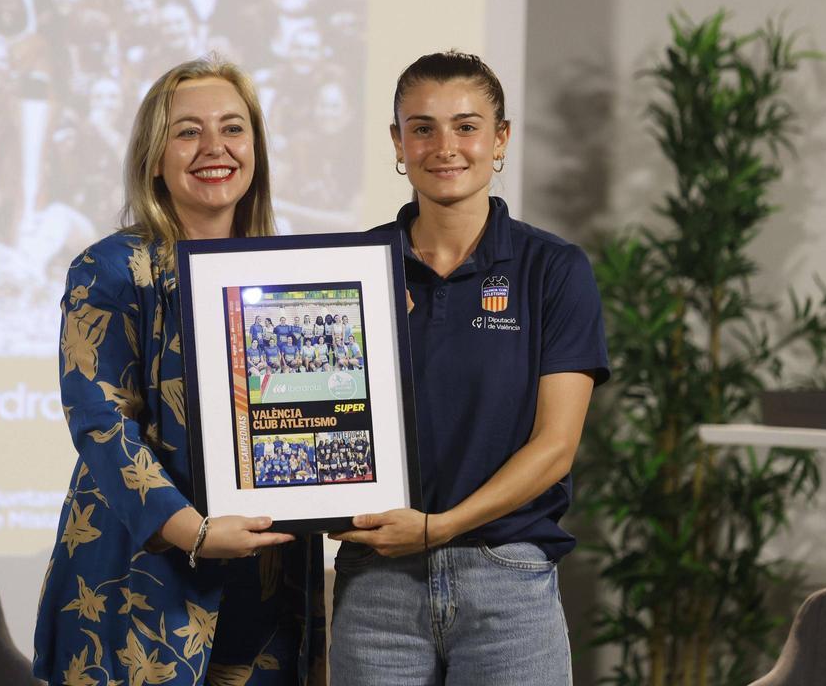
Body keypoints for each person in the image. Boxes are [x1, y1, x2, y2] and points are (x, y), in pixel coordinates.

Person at [34, 57, 325, 685]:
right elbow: (100, 420)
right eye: (187, 131)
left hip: (266, 578)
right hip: (141, 575)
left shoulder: (291, 276)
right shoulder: (110, 269)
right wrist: (193, 532)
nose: (214, 148)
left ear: (257, 150)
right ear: (154, 156)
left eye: (233, 129)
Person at [329, 51, 609, 685]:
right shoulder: (354, 268)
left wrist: (440, 527)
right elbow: (311, 418)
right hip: (377, 585)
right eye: (422, 127)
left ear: (500, 138)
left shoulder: (554, 270)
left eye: (466, 125)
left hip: (507, 585)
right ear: (398, 142)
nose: (445, 146)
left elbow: (556, 448)